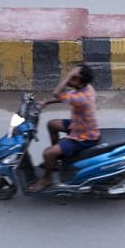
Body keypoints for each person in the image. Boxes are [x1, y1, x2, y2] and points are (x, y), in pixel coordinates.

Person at [29, 64, 100, 192]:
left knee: (48, 153)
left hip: (84, 136)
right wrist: (46, 102)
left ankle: (46, 179)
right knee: (52, 124)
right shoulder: (85, 87)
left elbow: (57, 93)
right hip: (79, 124)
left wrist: (68, 76)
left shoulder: (82, 98)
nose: (70, 80)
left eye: (74, 78)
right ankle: (55, 162)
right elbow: (67, 96)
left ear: (80, 82)